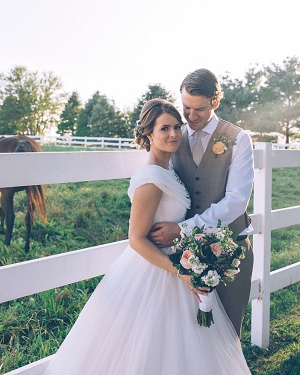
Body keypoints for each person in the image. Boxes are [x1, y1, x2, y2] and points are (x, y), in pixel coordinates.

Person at [43, 99, 251, 374]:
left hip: (176, 260)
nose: (175, 134)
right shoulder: (152, 178)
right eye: (164, 128)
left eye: (177, 126)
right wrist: (181, 272)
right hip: (156, 270)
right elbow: (136, 239)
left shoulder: (168, 168)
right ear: (148, 134)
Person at [148, 68, 255, 338]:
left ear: (215, 102)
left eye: (200, 109)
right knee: (189, 336)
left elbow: (236, 202)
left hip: (231, 250)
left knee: (229, 332)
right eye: (186, 107)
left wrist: (182, 228)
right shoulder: (174, 137)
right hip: (185, 256)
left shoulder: (238, 139)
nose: (191, 116)